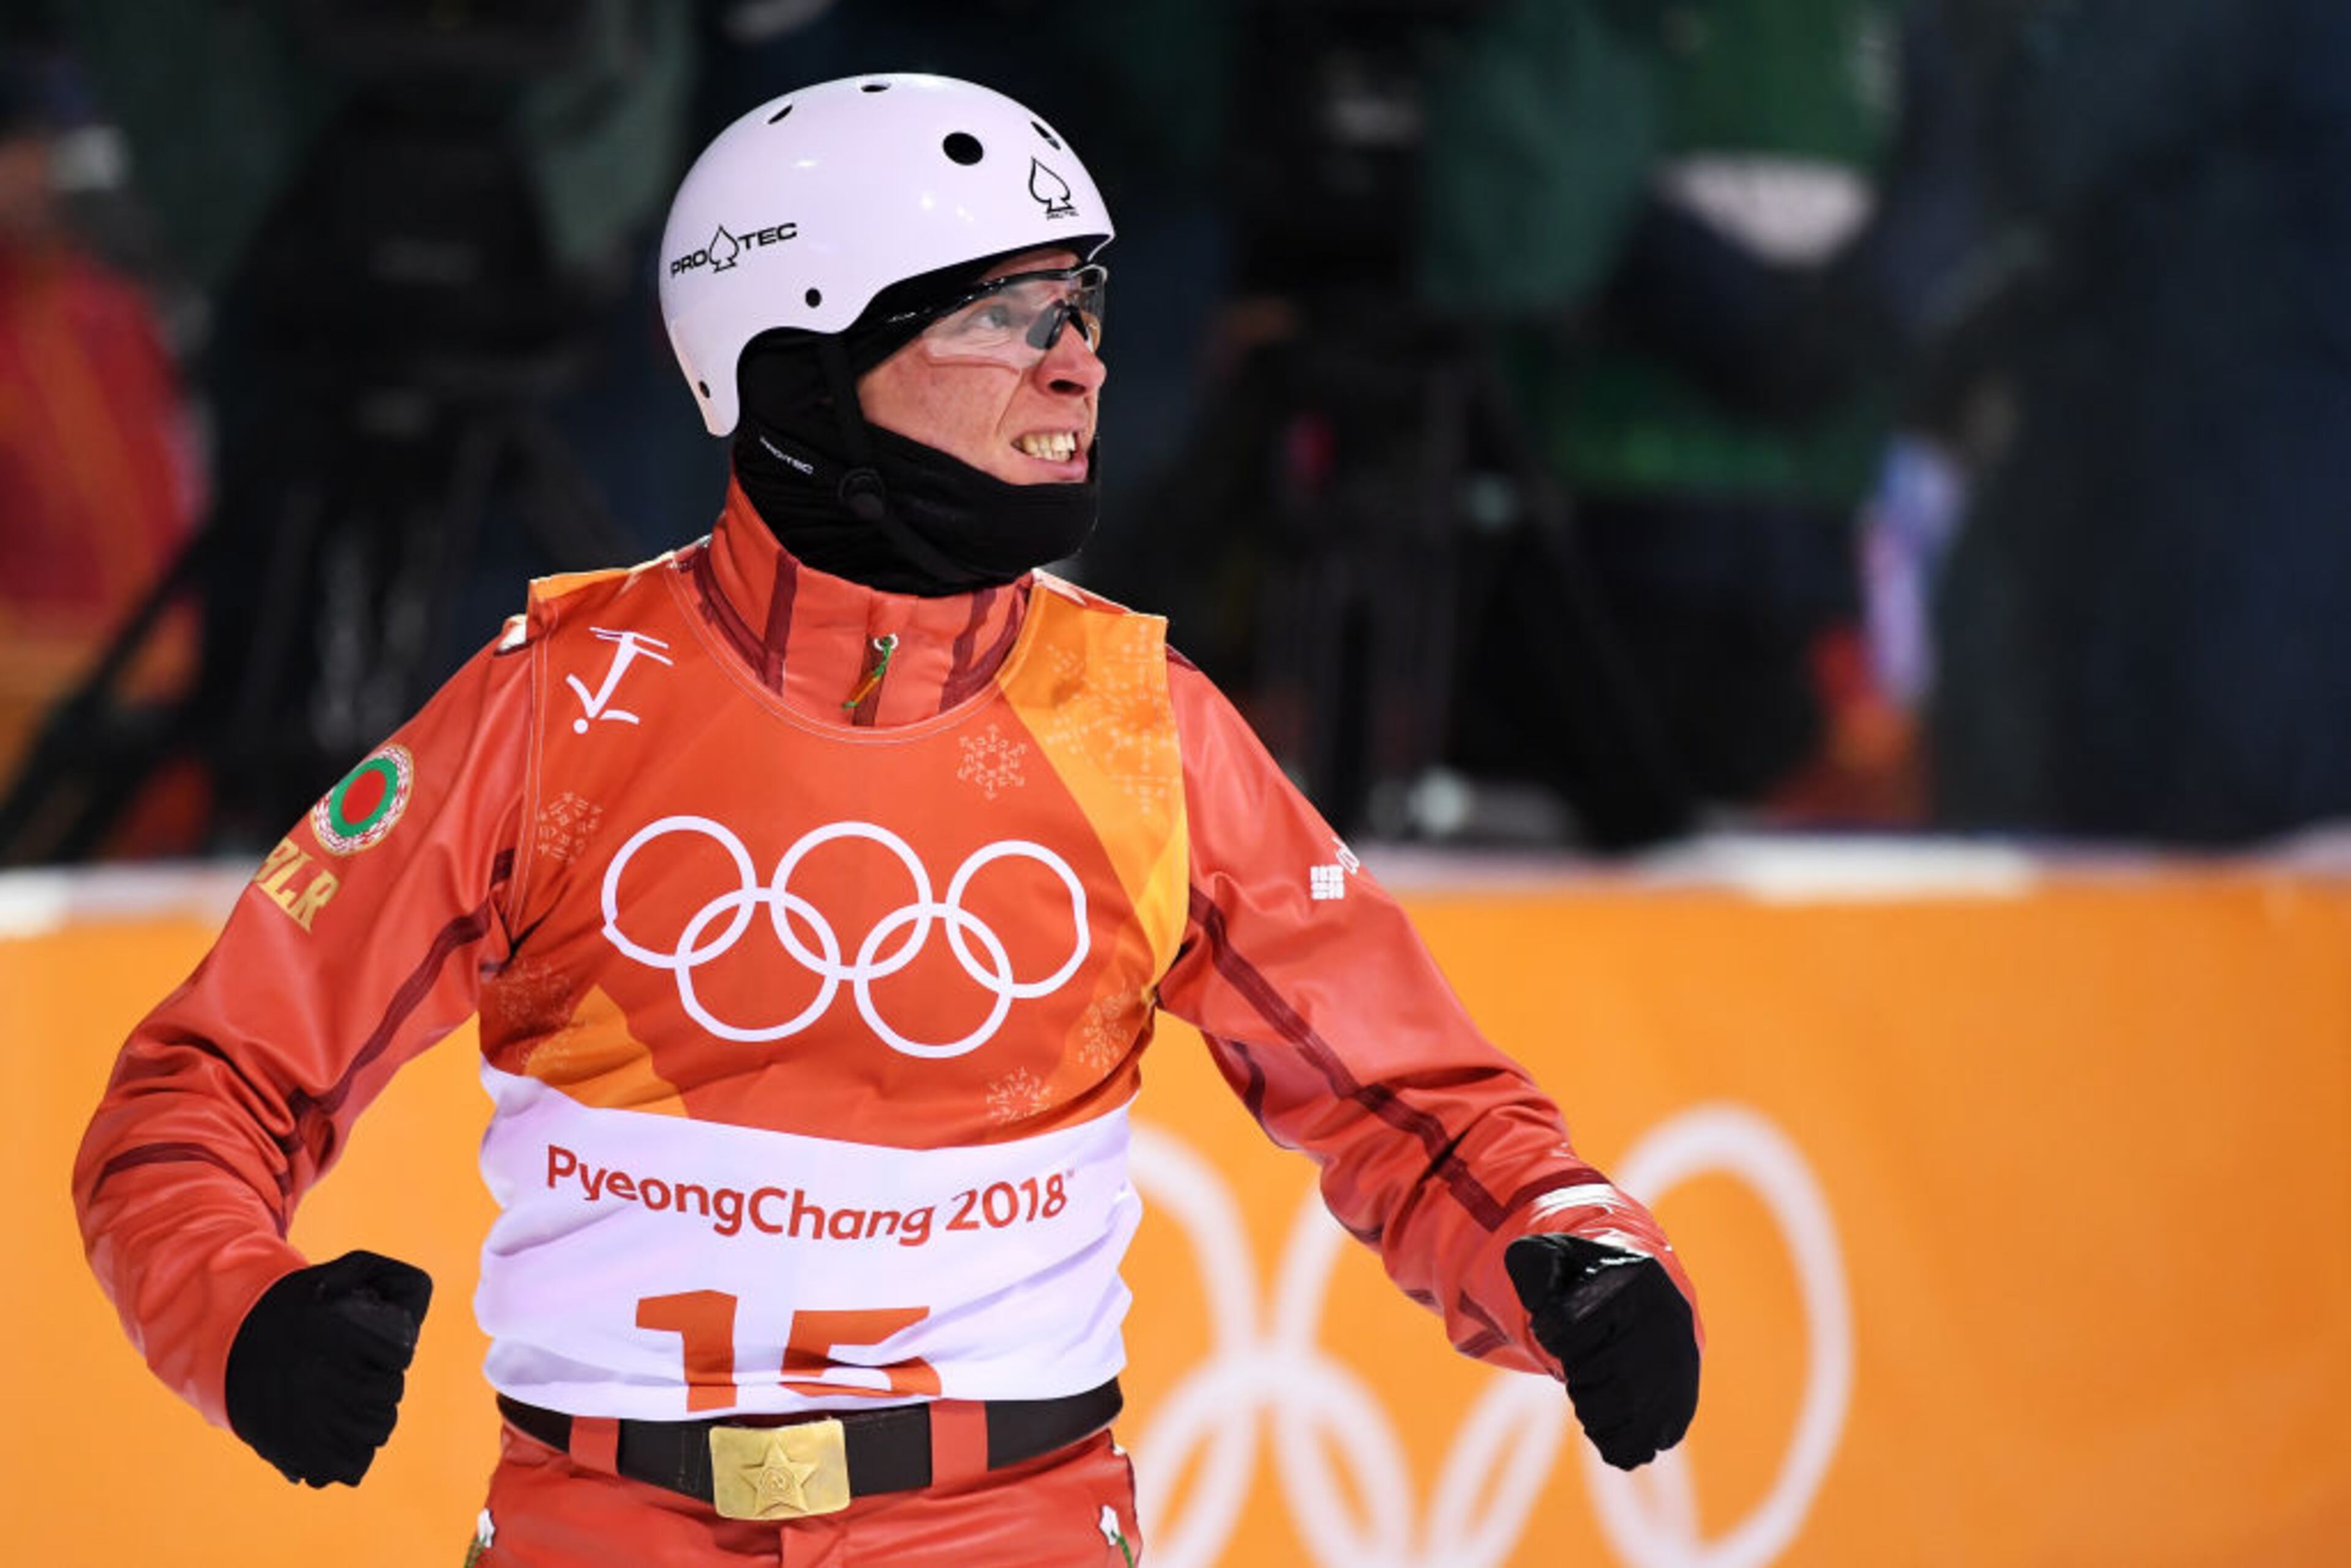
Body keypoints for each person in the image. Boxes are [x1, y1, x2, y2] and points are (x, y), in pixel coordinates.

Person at [73, 74, 1700, 1566]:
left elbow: (1420, 1107)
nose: (1080, 360)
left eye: (1085, 303)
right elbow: (201, 1088)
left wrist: (1580, 1252)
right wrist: (242, 1319)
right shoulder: (556, 709)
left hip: (1016, 1528)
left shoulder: (1141, 725)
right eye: (1006, 313)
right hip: (604, 1528)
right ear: (795, 361)